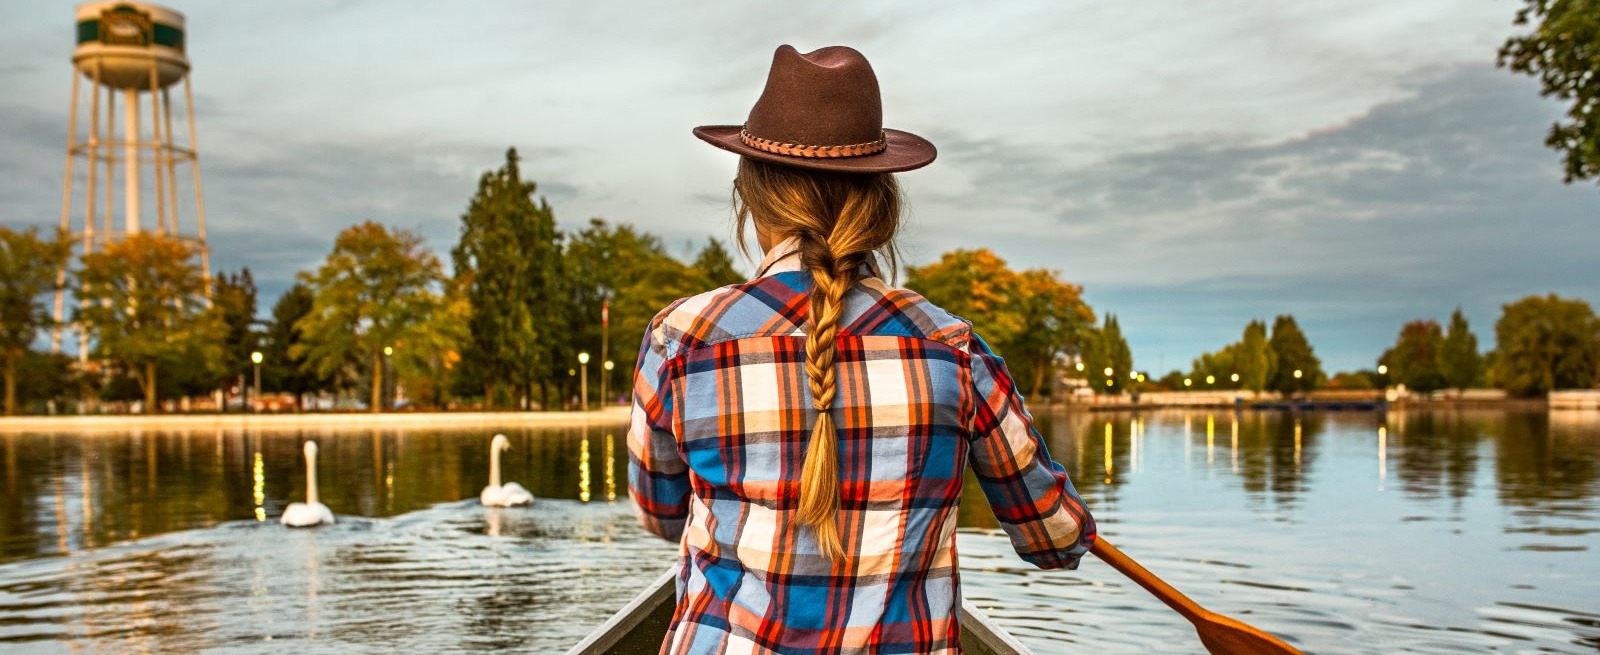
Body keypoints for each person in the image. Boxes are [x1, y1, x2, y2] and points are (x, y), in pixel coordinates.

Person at [629, 45, 1095, 655]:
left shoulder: (682, 338)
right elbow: (1054, 539)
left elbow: (661, 514)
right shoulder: (952, 348)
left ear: (752, 198)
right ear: (882, 202)